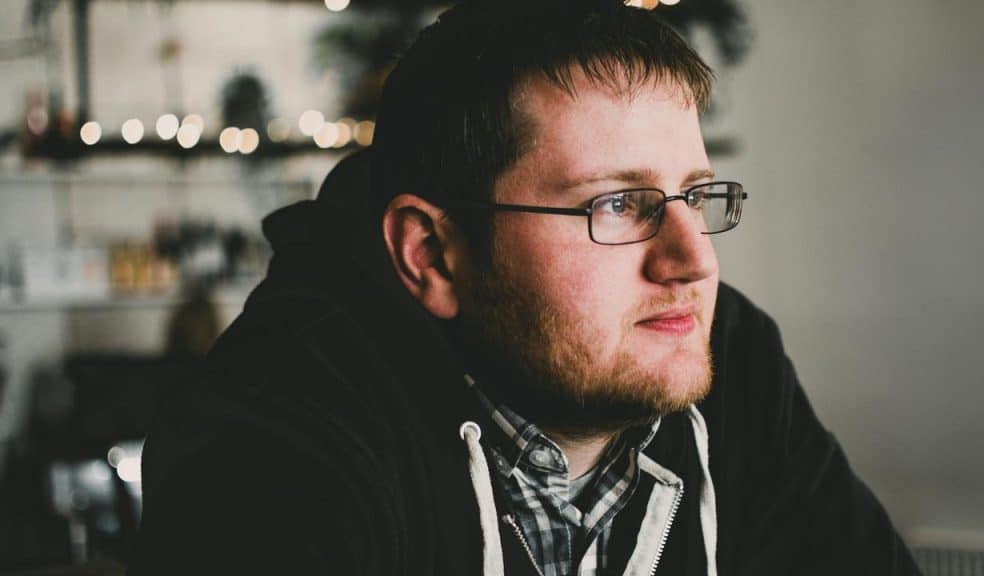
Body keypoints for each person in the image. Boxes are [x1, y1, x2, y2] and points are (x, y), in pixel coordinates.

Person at [131, 1, 921, 574]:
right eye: (617, 202)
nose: (692, 261)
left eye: (694, 195)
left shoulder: (728, 357)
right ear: (433, 255)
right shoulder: (282, 431)